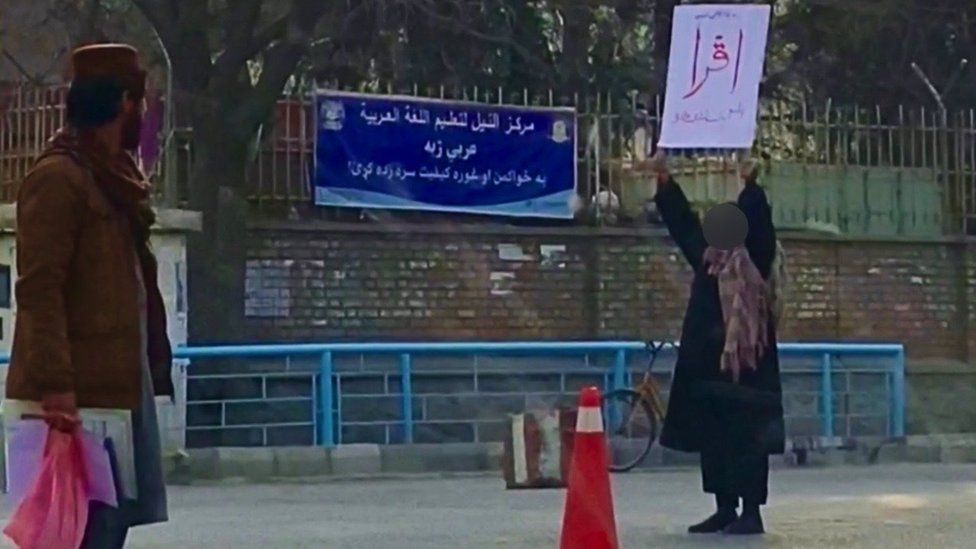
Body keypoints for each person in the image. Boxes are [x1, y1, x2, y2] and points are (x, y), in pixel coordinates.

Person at [3, 43, 172, 547]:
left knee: (107, 530)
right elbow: (39, 289)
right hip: (77, 402)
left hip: (115, 392)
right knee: (82, 533)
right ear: (125, 103)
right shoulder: (59, 178)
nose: (143, 115)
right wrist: (57, 388)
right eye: (140, 103)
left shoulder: (113, 179)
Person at [645, 151, 784, 535]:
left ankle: (751, 510)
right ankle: (724, 506)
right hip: (709, 362)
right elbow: (682, 223)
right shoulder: (707, 258)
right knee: (714, 434)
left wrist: (749, 183)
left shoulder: (754, 258)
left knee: (748, 438)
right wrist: (664, 181)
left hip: (746, 365)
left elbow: (759, 222)